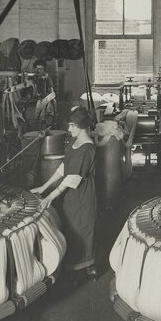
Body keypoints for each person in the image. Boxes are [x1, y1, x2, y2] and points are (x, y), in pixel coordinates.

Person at [32, 107, 98, 280]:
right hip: (69, 195)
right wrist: (44, 187)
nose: (69, 130)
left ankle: (88, 267)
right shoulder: (74, 143)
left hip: (82, 195)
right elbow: (63, 168)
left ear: (81, 127)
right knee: (70, 227)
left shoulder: (87, 149)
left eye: (72, 126)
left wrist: (50, 197)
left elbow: (73, 178)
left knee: (83, 228)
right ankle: (73, 267)